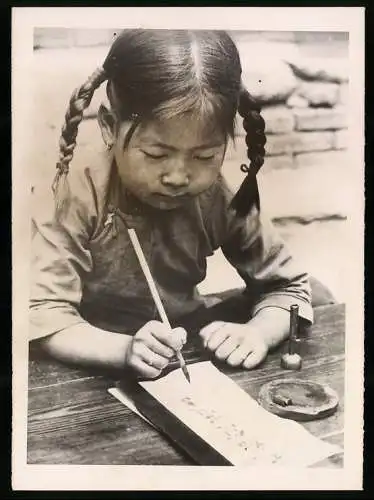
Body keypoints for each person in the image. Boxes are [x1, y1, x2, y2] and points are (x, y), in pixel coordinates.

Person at [30, 29, 326, 381]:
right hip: (91, 348)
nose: (178, 177)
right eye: (156, 154)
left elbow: (286, 287)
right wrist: (123, 351)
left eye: (204, 155)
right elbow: (42, 313)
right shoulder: (73, 192)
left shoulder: (217, 195)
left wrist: (257, 333)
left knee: (320, 297)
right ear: (109, 126)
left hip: (180, 341)